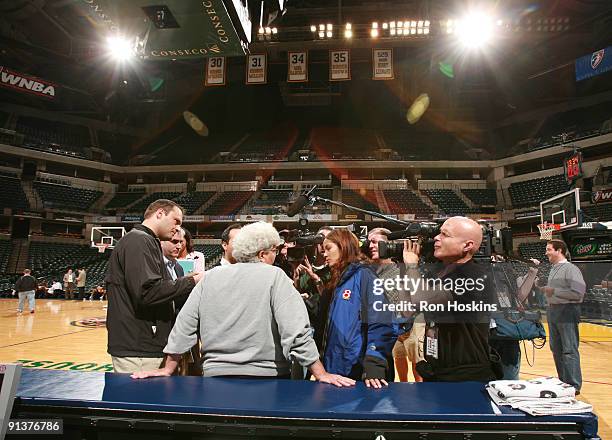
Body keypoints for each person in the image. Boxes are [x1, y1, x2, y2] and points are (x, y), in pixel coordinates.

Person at [132, 222, 355, 388]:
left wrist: (168, 367)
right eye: (274, 251)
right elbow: (296, 331)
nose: (277, 256)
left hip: (215, 378)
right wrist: (321, 373)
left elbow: (185, 325)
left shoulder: (211, 277)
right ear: (262, 253)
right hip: (269, 379)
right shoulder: (275, 277)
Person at [105, 199, 203, 374]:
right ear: (159, 214)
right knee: (140, 399)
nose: (177, 228)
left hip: (142, 343)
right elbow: (148, 293)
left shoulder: (142, 240)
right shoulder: (139, 240)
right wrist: (192, 282)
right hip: (139, 347)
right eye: (176, 221)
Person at [402, 216, 498, 382]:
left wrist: (412, 266)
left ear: (467, 245)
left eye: (445, 235)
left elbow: (421, 300)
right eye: (439, 233)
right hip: (438, 368)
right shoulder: (440, 273)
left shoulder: (473, 275)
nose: (437, 238)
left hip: (466, 374)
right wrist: (405, 269)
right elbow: (407, 310)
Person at [319, 228, 396, 388]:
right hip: (337, 369)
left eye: (328, 248)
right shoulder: (339, 280)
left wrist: (374, 363)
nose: (324, 254)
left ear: (343, 246)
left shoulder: (365, 275)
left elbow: (382, 321)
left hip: (359, 370)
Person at [367, 227, 423, 382]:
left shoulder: (402, 269)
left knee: (418, 369)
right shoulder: (369, 272)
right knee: (400, 369)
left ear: (388, 245)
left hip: (412, 327)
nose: (370, 246)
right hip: (390, 329)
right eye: (368, 242)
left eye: (375, 242)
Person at [538, 239, 586, 393]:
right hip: (553, 311)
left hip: (567, 311)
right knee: (556, 348)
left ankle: (573, 385)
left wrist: (554, 292)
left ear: (559, 251)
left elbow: (579, 293)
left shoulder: (571, 269)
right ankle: (563, 382)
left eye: (549, 249)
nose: (546, 252)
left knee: (569, 349)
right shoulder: (554, 268)